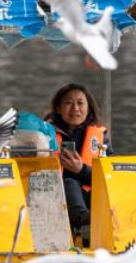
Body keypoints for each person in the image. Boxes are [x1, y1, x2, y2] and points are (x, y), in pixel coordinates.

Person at [45, 83, 113, 238]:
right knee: (70, 183)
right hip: (57, 196)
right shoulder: (45, 135)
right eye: (69, 103)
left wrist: (81, 170)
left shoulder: (100, 138)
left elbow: (110, 177)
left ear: (88, 107)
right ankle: (84, 222)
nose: (75, 108)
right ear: (58, 108)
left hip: (92, 195)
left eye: (80, 103)